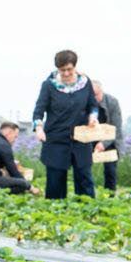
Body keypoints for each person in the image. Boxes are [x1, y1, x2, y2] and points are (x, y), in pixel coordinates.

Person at [32, 50, 99, 199]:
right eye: (62, 70)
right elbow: (38, 111)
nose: (66, 73)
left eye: (69, 69)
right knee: (55, 181)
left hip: (81, 138)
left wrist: (93, 117)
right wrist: (39, 128)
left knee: (84, 177)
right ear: (57, 69)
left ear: (75, 67)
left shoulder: (85, 83)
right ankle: (55, 209)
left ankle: (87, 208)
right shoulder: (49, 85)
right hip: (56, 138)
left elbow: (93, 105)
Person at [92, 80, 123, 192]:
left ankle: (110, 195)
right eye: (91, 95)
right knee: (83, 167)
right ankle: (87, 194)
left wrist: (103, 144)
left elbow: (116, 128)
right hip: (90, 138)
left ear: (102, 92)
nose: (93, 98)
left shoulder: (112, 102)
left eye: (96, 95)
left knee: (110, 170)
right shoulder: (84, 103)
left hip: (110, 140)